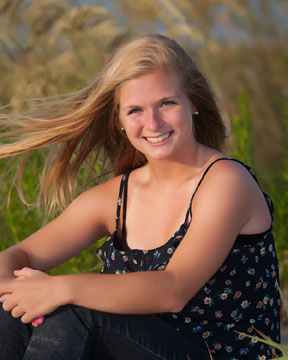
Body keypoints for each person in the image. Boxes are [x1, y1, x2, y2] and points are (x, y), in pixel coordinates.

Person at [0, 34, 281, 360]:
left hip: (219, 354)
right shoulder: (114, 198)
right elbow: (19, 254)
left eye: (166, 103)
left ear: (193, 105)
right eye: (135, 110)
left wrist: (59, 288)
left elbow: (174, 288)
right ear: (118, 121)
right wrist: (13, 288)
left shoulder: (226, 182)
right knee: (11, 311)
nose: (153, 123)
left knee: (73, 314)